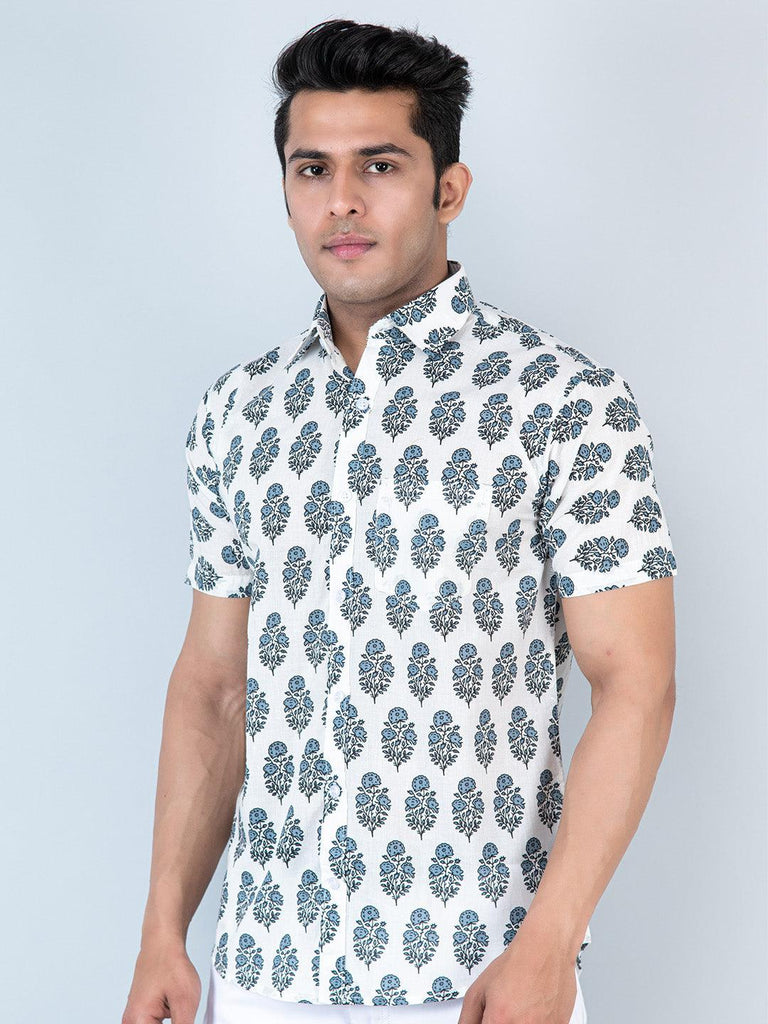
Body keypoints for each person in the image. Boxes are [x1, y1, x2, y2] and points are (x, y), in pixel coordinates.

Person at [122, 18, 678, 1024]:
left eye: (379, 165)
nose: (341, 199)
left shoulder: (564, 401)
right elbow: (212, 687)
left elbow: (635, 683)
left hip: (474, 974)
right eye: (312, 169)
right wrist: (165, 931)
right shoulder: (237, 413)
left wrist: (549, 946)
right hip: (262, 970)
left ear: (447, 189)